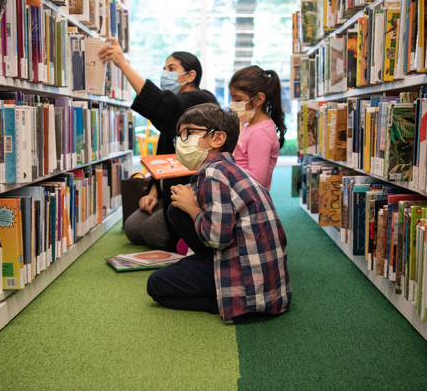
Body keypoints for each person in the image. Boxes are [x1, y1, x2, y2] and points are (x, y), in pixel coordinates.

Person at [146, 103, 291, 323]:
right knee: (176, 210)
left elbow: (219, 238)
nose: (182, 142)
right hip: (268, 283)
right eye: (180, 137)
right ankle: (215, 280)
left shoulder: (213, 174)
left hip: (247, 283)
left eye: (189, 134)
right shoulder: (228, 168)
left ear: (217, 139)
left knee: (156, 285)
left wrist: (193, 208)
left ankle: (226, 301)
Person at [99, 38, 218, 251]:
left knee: (151, 232)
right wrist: (152, 194)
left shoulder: (202, 100)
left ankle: (183, 236)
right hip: (167, 194)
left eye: (172, 68)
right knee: (133, 228)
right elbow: (162, 160)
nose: (166, 73)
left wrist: (123, 65)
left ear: (191, 75)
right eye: (164, 68)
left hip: (191, 195)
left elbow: (167, 107)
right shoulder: (172, 118)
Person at [228, 65, 286, 190]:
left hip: (248, 200)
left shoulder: (260, 133)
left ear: (259, 99)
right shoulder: (250, 126)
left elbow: (257, 179)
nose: (233, 105)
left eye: (238, 100)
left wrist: (225, 174)